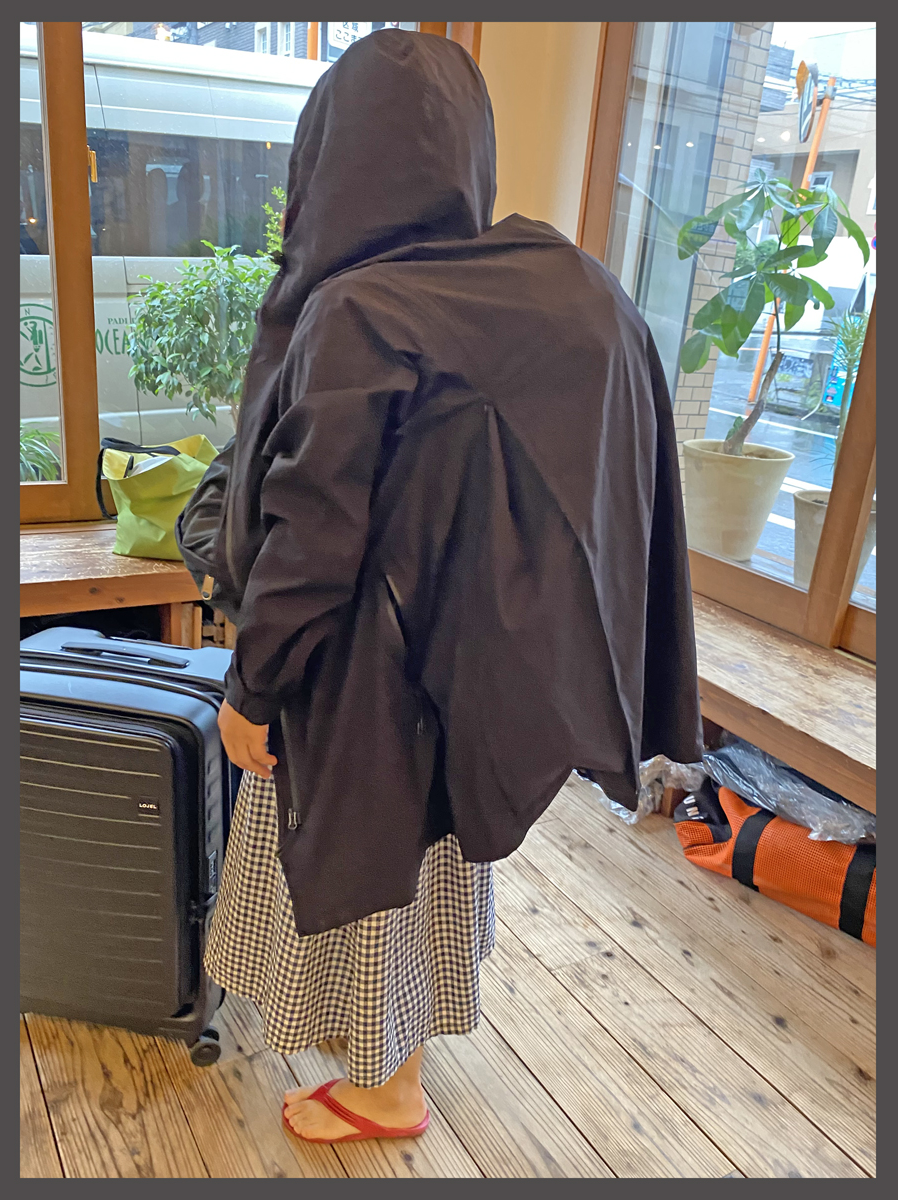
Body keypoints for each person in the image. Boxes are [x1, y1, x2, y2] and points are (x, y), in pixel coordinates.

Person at [204, 29, 702, 1145]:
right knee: (428, 875)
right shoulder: (562, 282)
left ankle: (385, 1092)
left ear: (330, 156)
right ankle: (394, 1066)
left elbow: (310, 540)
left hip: (358, 682)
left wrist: (250, 687)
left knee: (364, 879)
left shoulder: (354, 311)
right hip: (477, 674)